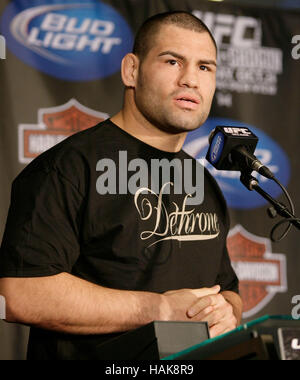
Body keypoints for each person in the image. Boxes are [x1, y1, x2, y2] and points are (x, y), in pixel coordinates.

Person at [0, 11, 242, 360]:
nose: (191, 79)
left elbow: (228, 290)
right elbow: (20, 293)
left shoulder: (202, 181)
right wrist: (160, 309)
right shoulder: (68, 168)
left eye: (205, 67)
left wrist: (227, 312)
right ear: (132, 70)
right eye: (173, 61)